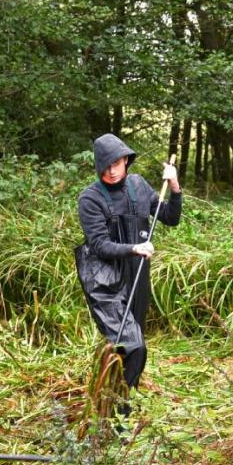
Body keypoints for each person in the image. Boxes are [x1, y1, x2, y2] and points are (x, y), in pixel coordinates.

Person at [76, 133, 182, 399]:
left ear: (126, 160)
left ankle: (118, 398)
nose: (112, 171)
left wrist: (175, 186)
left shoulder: (138, 185)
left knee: (132, 344)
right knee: (132, 345)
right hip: (105, 280)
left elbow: (170, 217)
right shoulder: (90, 199)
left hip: (137, 275)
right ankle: (120, 406)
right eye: (106, 166)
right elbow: (99, 245)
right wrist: (134, 248)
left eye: (116, 164)